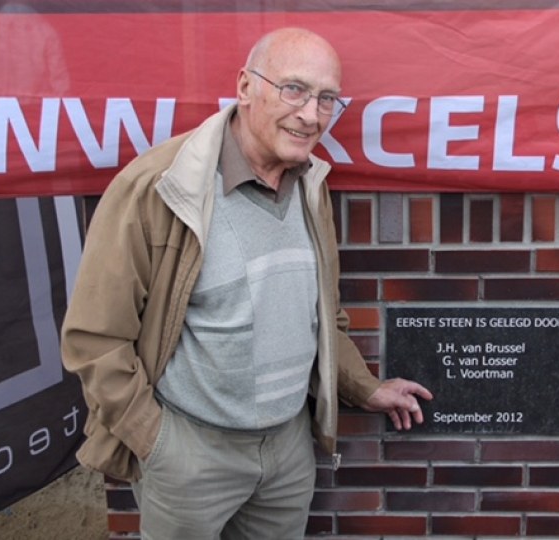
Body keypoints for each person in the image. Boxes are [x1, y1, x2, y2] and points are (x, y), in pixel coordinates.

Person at [60, 27, 432, 539]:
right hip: (190, 455)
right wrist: (157, 441)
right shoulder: (159, 187)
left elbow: (323, 320)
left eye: (327, 99)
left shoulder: (311, 187)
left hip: (287, 453)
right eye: (294, 89)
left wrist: (362, 387)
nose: (311, 114)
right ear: (244, 87)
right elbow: (95, 339)